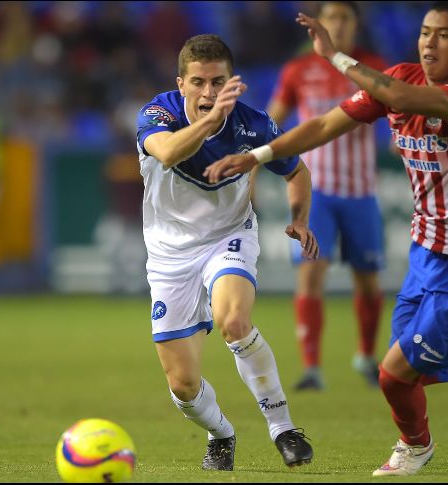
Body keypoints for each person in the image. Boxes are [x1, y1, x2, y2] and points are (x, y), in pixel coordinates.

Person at [204, 2, 448, 476]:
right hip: (427, 253)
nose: (430, 42)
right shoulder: (400, 76)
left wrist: (334, 57)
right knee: (414, 366)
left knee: (394, 373)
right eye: (425, 32)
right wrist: (259, 155)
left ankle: (416, 446)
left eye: (445, 35)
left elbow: (402, 98)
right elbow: (325, 125)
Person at [136, 34, 317, 471]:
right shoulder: (155, 114)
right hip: (168, 254)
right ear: (181, 83)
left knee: (234, 320)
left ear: (231, 81)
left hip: (228, 236)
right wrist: (211, 118)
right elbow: (167, 153)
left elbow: (296, 171)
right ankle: (221, 434)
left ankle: (283, 428)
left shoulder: (253, 125)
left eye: (218, 82)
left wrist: (300, 218)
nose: (208, 92)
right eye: (198, 82)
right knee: (182, 383)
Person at [263, 1, 389, 391]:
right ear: (318, 25)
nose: (337, 23)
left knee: (368, 282)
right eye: (330, 17)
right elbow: (271, 123)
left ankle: (366, 357)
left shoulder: (374, 67)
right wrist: (255, 161)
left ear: (355, 25)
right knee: (311, 276)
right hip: (316, 194)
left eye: (344, 18)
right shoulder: (298, 70)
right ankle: (312, 368)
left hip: (360, 193)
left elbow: (402, 111)